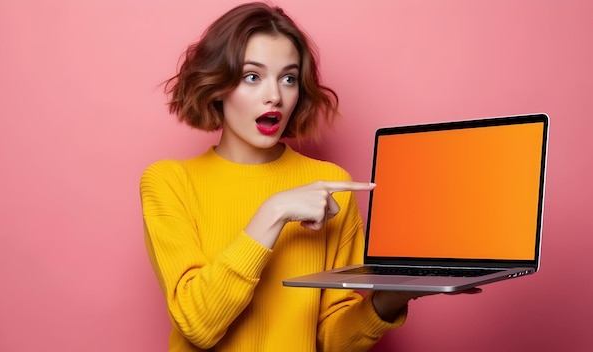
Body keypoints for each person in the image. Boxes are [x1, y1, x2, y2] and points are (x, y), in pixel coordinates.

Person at [140, 2, 477, 351]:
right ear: (217, 83)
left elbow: (333, 341)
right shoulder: (169, 182)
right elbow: (199, 324)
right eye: (252, 77)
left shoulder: (330, 186)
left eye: (289, 78)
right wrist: (273, 213)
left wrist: (391, 298)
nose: (275, 97)